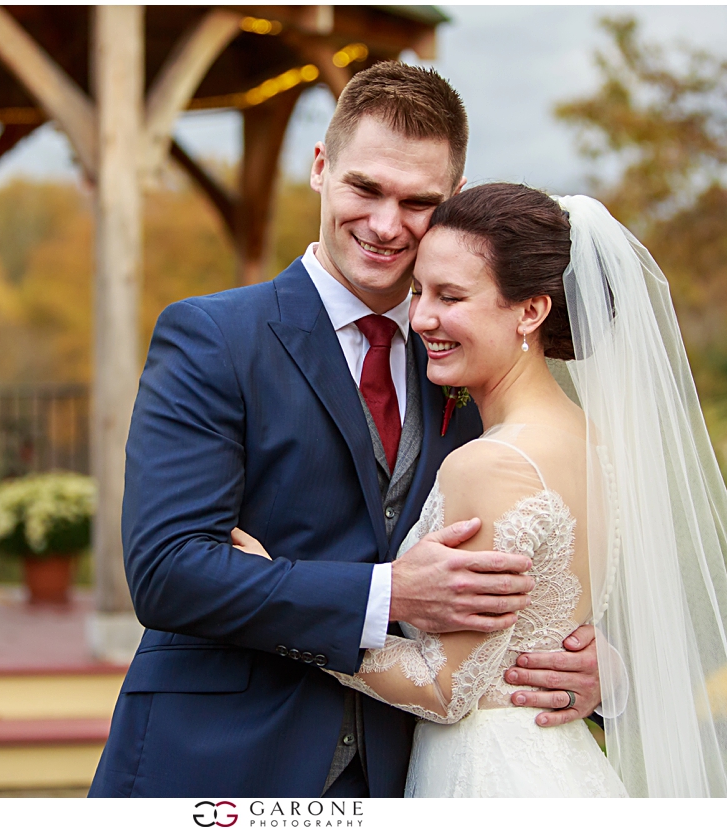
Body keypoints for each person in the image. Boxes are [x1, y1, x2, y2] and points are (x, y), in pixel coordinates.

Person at [88, 64, 606, 798]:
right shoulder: (212, 337)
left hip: (408, 773)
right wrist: (386, 592)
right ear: (322, 168)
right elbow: (168, 570)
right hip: (226, 763)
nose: (387, 224)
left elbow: (556, 552)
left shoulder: (468, 366)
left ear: (452, 202)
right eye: (366, 188)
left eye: (418, 201)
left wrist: (598, 661)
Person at [238, 183, 727, 796]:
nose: (423, 317)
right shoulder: (594, 441)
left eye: (451, 296)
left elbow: (444, 689)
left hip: (488, 773)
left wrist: (291, 613)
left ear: (531, 312)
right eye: (419, 292)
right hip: (558, 761)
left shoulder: (488, 464)